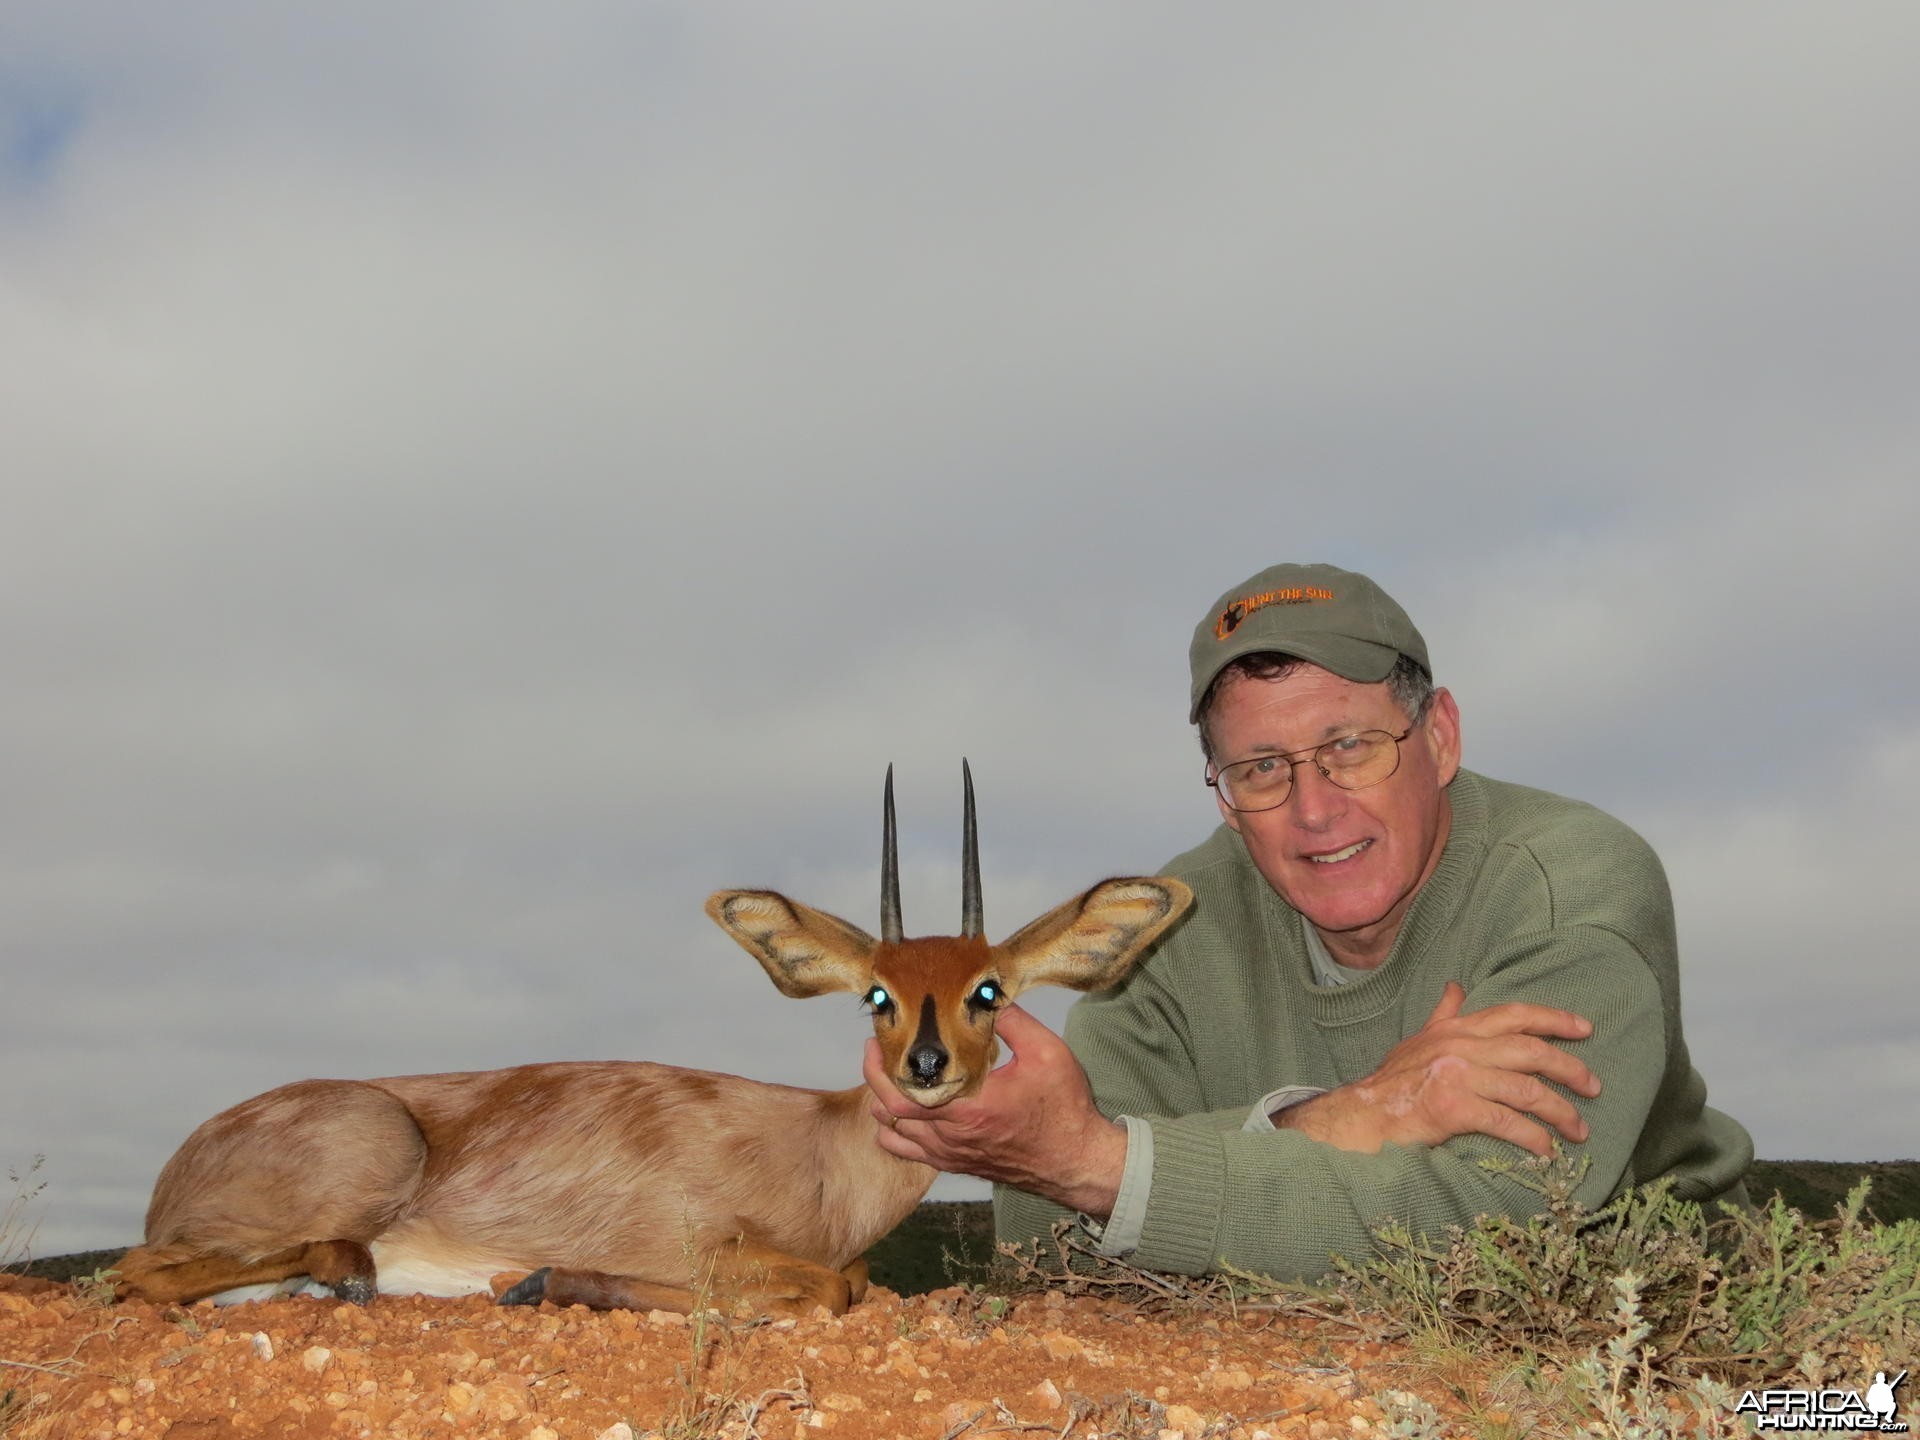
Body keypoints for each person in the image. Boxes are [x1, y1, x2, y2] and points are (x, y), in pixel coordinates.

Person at [864, 561, 1753, 1281]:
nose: (1314, 809)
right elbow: (1045, 1236)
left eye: (1349, 747)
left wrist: (1114, 1170)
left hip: (1654, 1331)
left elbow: (1496, 1225)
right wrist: (1348, 1115)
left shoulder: (1570, 887)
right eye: (1260, 767)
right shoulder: (1176, 926)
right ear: (1221, 795)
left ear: (1439, 736)